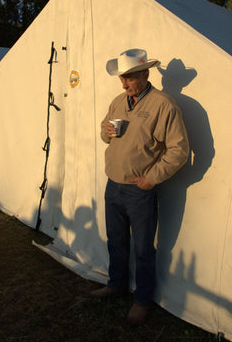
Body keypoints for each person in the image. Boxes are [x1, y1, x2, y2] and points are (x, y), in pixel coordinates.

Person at [91, 48, 189, 326]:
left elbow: (179, 149)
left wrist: (152, 178)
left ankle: (143, 300)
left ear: (145, 74)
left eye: (130, 77)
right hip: (113, 185)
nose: (124, 84)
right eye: (122, 78)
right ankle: (116, 284)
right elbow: (104, 130)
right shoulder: (119, 101)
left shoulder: (164, 105)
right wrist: (106, 132)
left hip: (139, 190)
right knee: (116, 240)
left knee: (144, 247)